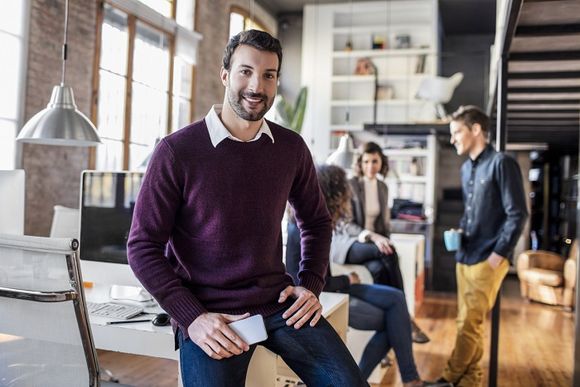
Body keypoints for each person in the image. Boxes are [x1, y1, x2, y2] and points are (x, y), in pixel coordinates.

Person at [127, 29, 367, 387]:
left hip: (278, 304)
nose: (257, 86)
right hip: (211, 313)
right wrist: (192, 317)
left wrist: (311, 284)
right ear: (225, 75)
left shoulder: (290, 148)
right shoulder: (177, 151)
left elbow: (316, 221)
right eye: (245, 71)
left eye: (269, 75)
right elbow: (142, 247)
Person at [286, 164, 451, 387]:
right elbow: (307, 284)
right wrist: (348, 279)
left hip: (336, 288)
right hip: (326, 297)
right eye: (344, 192)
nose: (348, 198)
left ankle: (404, 380)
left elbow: (322, 272)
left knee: (396, 298)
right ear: (334, 194)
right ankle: (398, 381)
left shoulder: (319, 223)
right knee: (394, 321)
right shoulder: (300, 228)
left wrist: (345, 280)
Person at [437, 106, 528, 387]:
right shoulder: (466, 169)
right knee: (468, 323)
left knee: (468, 325)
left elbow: (518, 214)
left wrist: (498, 255)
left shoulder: (502, 163)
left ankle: (448, 378)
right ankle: (470, 381)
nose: (452, 140)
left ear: (476, 129)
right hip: (464, 254)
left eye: (457, 132)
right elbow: (471, 211)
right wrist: (460, 229)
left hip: (488, 258)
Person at [332, 141, 429, 344]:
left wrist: (383, 240)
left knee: (378, 268)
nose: (370, 166)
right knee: (388, 254)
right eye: (366, 161)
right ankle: (406, 318)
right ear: (360, 162)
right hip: (349, 243)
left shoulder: (383, 187)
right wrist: (372, 237)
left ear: (381, 162)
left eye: (374, 161)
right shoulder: (351, 184)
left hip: (372, 247)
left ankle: (388, 326)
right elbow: (344, 223)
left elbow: (384, 224)